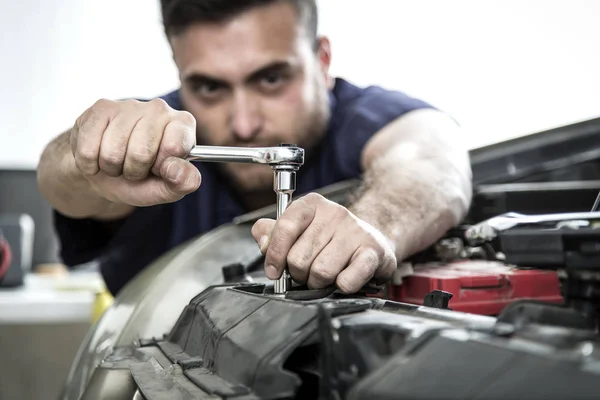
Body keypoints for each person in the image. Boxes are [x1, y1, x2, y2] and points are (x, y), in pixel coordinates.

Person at [37, 0, 473, 296]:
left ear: (322, 62)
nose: (243, 124)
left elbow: (432, 161)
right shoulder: (154, 135)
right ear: (179, 72)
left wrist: (376, 225)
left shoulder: (370, 116)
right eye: (209, 87)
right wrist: (86, 153)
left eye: (270, 79)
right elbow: (60, 179)